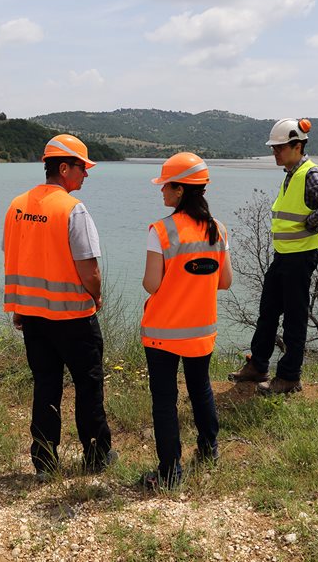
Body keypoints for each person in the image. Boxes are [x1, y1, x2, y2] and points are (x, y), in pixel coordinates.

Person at [2, 134, 116, 481]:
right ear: (64, 168)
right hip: (74, 319)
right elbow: (90, 269)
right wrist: (96, 295)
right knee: (88, 386)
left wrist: (20, 306)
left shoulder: (17, 205)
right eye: (83, 168)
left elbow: (13, 257)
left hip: (34, 318)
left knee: (46, 386)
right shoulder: (72, 209)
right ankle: (96, 457)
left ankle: (45, 464)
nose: (87, 175)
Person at [139, 153, 232, 489]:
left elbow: (151, 284)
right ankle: (209, 450)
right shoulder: (217, 230)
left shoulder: (161, 232)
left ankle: (170, 472)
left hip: (163, 333)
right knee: (200, 388)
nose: (162, 190)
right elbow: (224, 281)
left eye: (166, 185)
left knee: (164, 400)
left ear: (180, 190)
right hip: (200, 331)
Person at [228, 119, 318, 394]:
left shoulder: (310, 174)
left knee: (293, 318)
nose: (275, 153)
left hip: (299, 258)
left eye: (280, 148)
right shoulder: (292, 172)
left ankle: (289, 377)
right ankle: (258, 366)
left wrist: (310, 222)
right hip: (284, 256)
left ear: (297, 146)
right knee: (267, 311)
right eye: (274, 148)